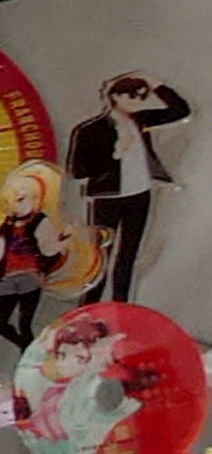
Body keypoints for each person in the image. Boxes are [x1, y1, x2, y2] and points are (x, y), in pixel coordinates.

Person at [64, 71, 187, 302]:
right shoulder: (90, 130)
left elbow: (180, 110)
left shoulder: (141, 120)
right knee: (100, 254)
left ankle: (120, 304)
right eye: (132, 96)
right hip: (108, 198)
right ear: (116, 96)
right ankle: (89, 305)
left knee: (128, 255)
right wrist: (114, 156)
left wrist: (153, 82)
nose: (138, 101)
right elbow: (78, 170)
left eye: (142, 96)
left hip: (139, 194)